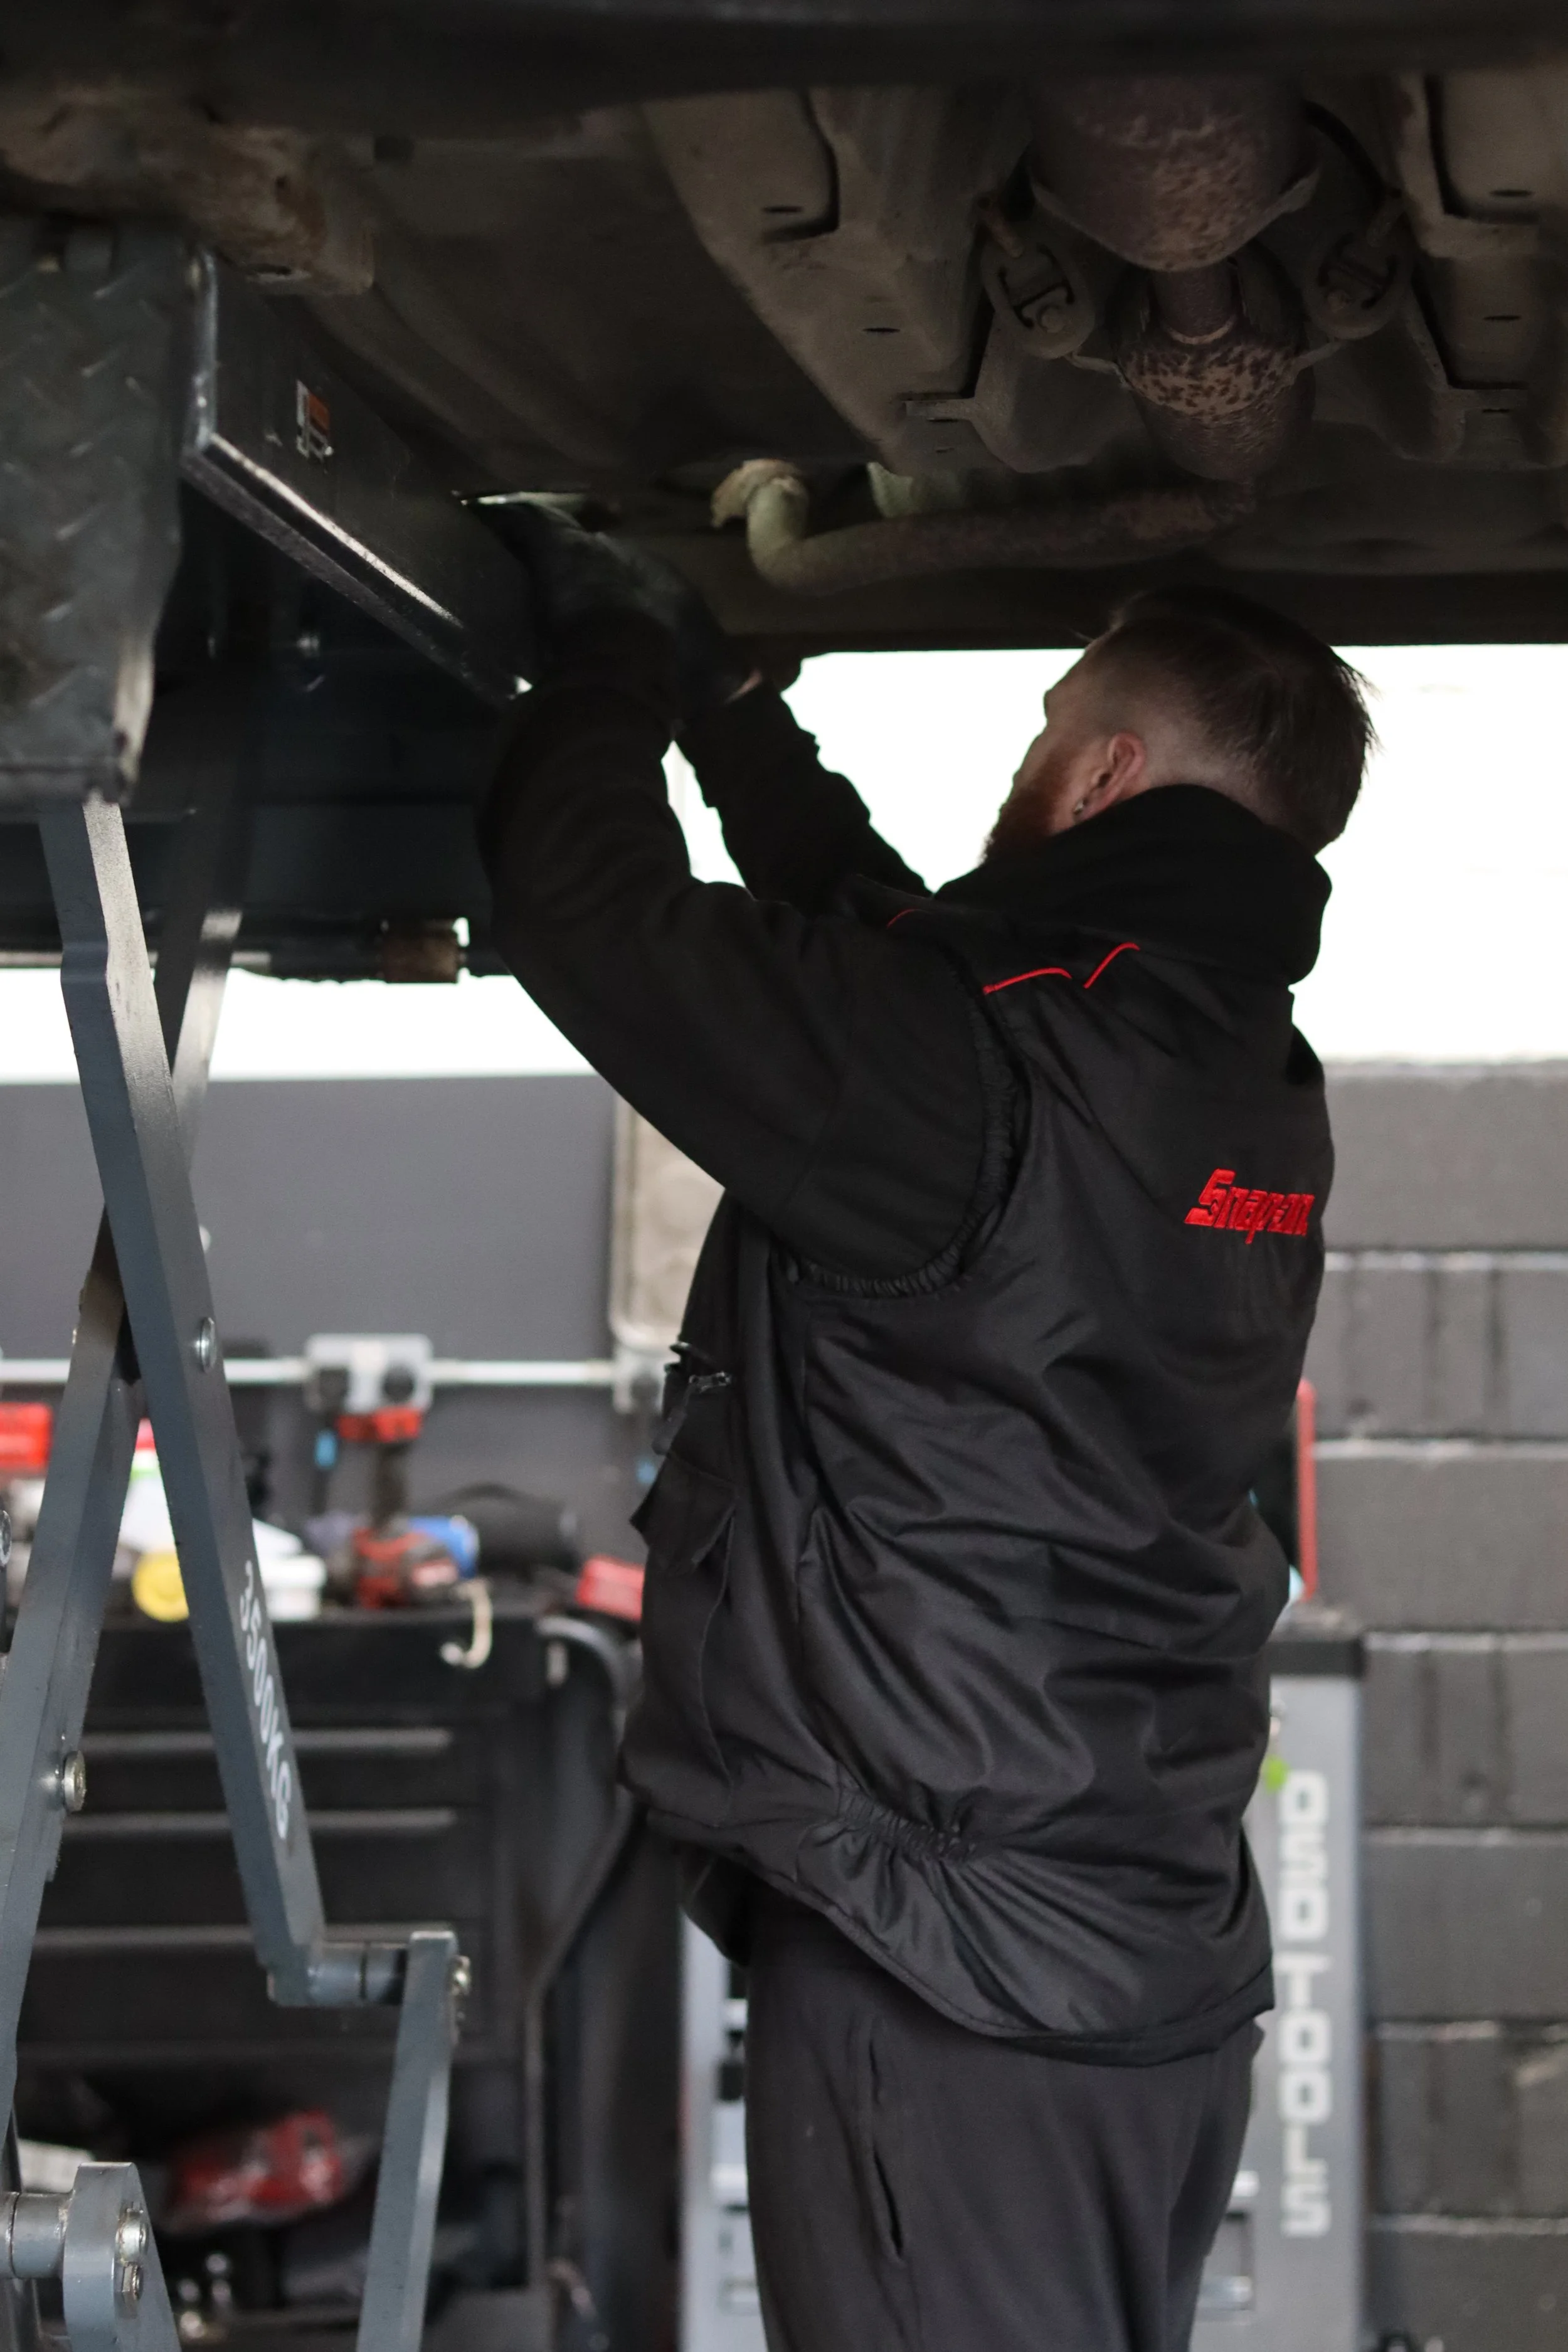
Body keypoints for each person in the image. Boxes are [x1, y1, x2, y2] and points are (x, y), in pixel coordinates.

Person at [478, 517, 1371, 2352]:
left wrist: (606, 661)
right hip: (1130, 1960)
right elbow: (902, 950)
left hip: (947, 1966)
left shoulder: (970, 1074)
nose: (1024, 757)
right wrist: (736, 724)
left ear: (1102, 772)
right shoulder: (1235, 1072)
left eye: (1047, 725)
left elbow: (583, 911)